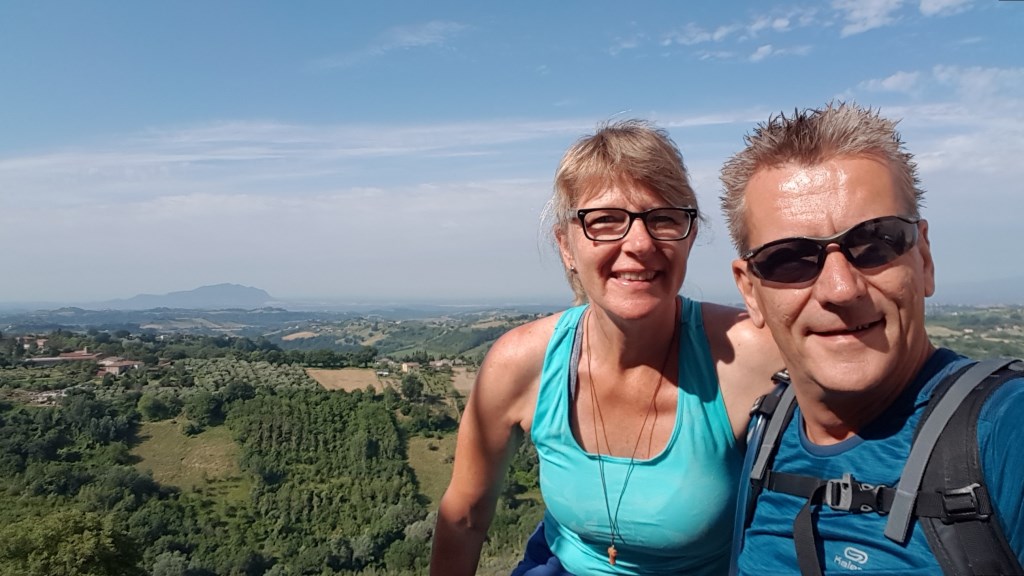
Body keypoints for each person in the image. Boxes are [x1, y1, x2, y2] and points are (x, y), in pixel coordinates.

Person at [430, 119, 782, 575]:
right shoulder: (520, 363)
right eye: (605, 221)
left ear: (690, 236)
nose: (639, 243)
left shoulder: (749, 356)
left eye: (663, 219)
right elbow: (464, 515)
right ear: (566, 247)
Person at [721, 102, 1024, 574]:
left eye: (876, 244)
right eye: (790, 259)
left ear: (924, 259)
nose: (841, 289)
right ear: (750, 292)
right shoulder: (768, 429)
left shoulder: (1005, 431)